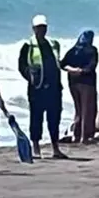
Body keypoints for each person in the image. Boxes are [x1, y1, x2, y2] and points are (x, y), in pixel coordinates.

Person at [18, 14, 67, 159]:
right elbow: (22, 66)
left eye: (44, 27)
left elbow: (59, 62)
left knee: (54, 118)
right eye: (39, 28)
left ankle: (55, 148)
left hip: (54, 88)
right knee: (36, 118)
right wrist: (30, 76)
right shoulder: (28, 46)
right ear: (33, 29)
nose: (42, 30)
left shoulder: (53, 44)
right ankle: (36, 148)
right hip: (37, 89)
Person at [62, 30, 99, 143]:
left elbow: (62, 64)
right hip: (87, 82)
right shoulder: (92, 50)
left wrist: (72, 70)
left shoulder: (73, 50)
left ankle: (76, 135)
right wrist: (81, 71)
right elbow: (91, 66)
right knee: (87, 110)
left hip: (73, 82)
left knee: (78, 110)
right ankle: (85, 137)